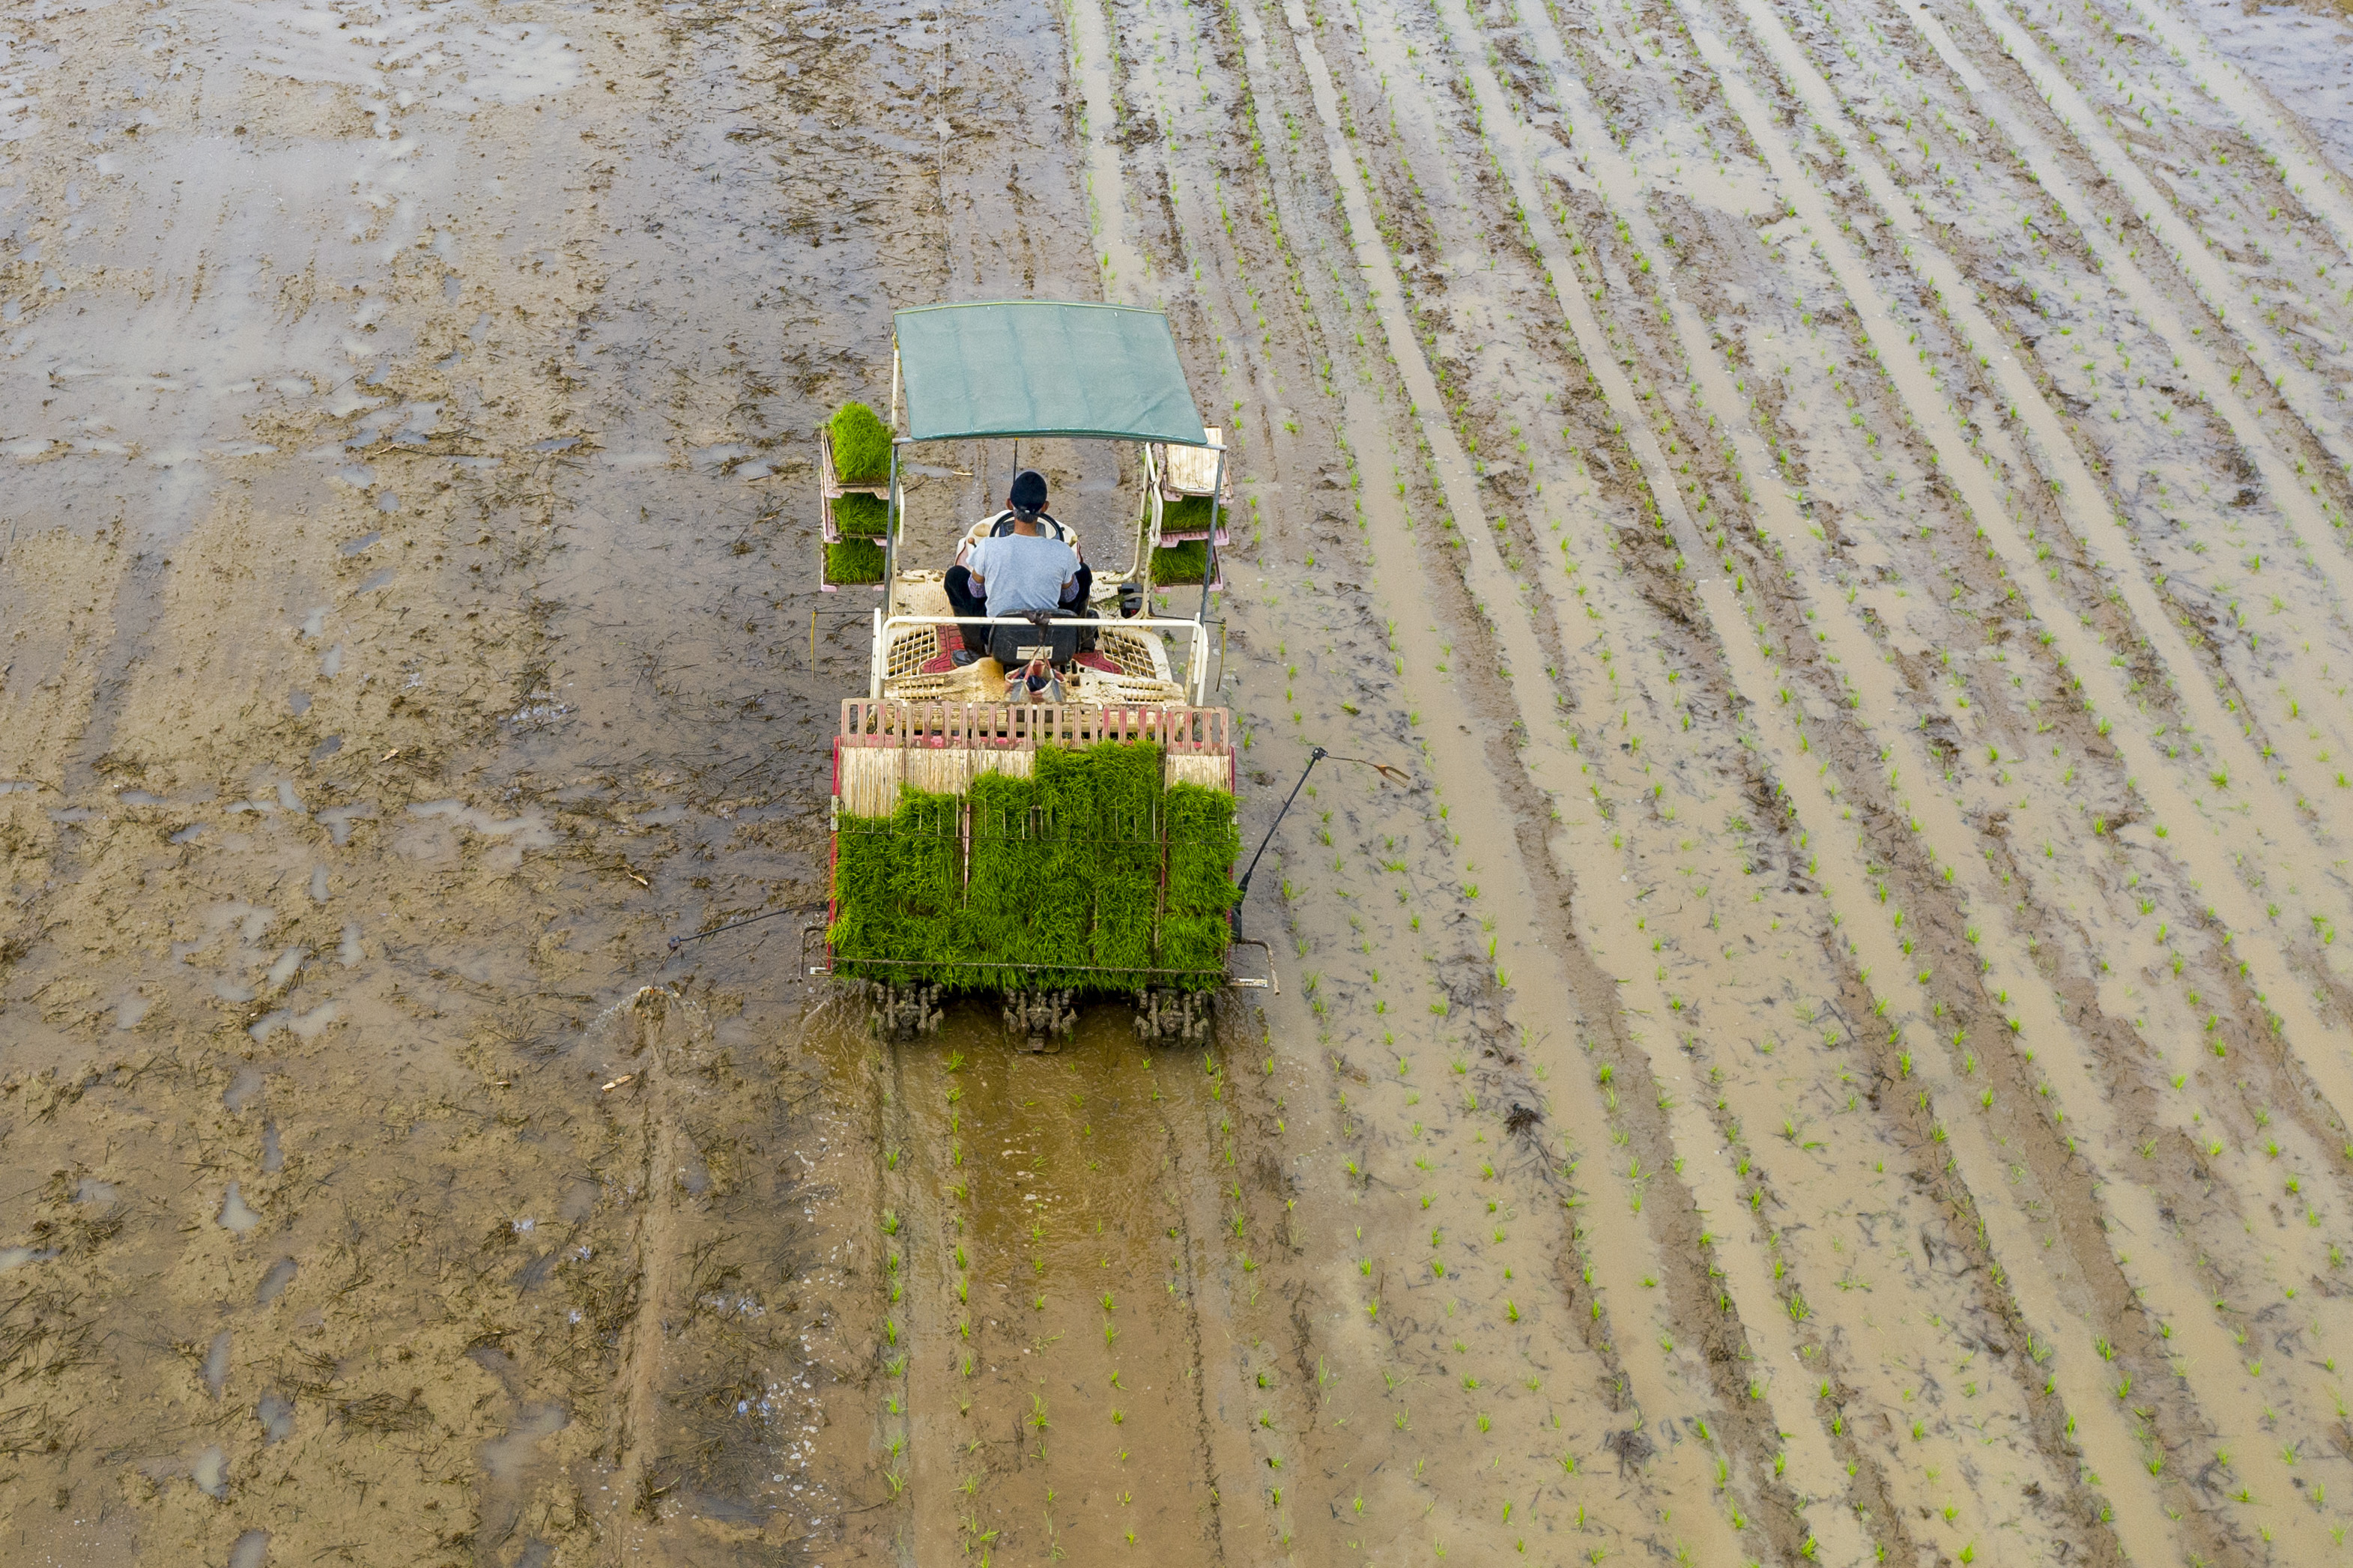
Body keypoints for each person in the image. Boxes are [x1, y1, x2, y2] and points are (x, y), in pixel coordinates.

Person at [944, 470, 1093, 658]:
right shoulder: (1062, 551)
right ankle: (1078, 638)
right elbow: (1069, 596)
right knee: (1083, 572)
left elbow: (976, 592)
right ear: (1045, 507)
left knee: (955, 577)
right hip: (1047, 635)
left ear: (1009, 505)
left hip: (1000, 637)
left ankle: (976, 651)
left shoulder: (988, 547)